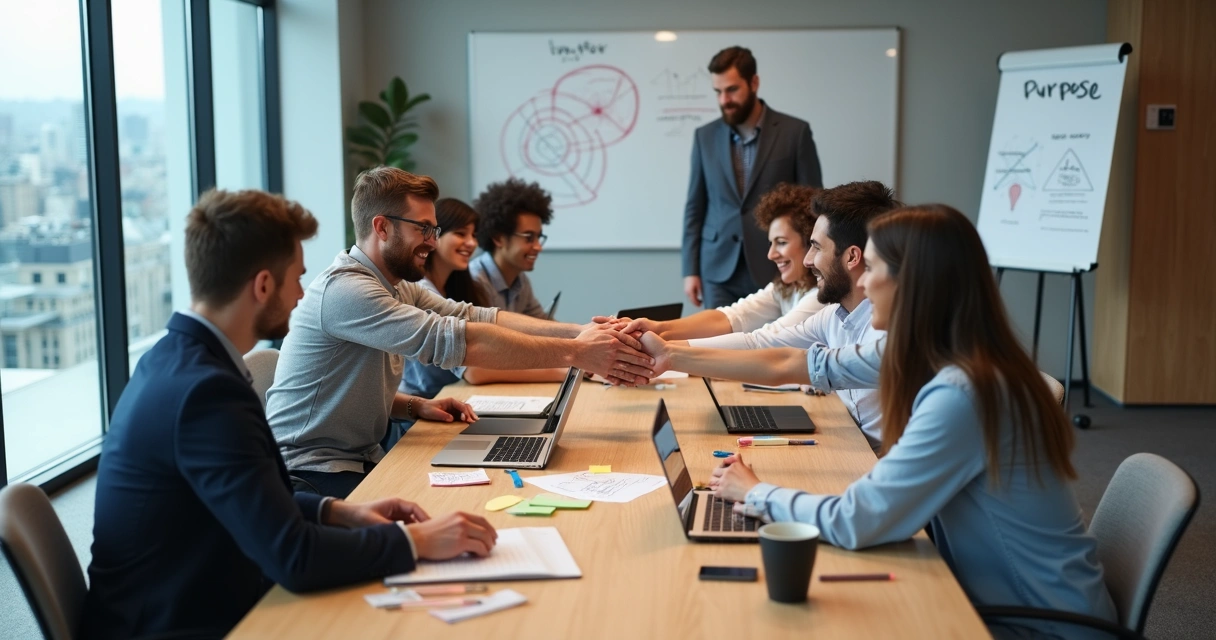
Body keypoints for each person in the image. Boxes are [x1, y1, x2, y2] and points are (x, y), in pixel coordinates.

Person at [648, 205, 1117, 638]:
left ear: (912, 283)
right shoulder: (947, 353)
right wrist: (670, 355)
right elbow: (793, 361)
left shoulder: (964, 393)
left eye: (872, 269)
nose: (865, 285)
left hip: (1036, 626)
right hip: (994, 596)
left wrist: (756, 493)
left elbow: (858, 520)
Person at [82, 189, 497, 640]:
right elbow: (294, 558)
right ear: (263, 285)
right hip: (183, 624)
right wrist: (415, 541)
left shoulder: (179, 359)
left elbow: (251, 500)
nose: (302, 293)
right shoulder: (207, 393)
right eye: (296, 278)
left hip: (191, 596)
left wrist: (338, 512)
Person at [268, 168, 652, 499]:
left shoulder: (397, 286)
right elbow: (459, 340)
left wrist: (579, 331)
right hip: (312, 472)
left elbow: (475, 316)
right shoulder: (348, 291)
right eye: (423, 229)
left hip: (359, 459)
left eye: (434, 229)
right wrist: (576, 353)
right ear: (381, 227)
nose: (433, 241)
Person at [644, 181, 897, 447]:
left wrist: (668, 354)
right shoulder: (833, 315)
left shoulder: (892, 334)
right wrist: (665, 348)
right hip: (854, 447)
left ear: (852, 257)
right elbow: (758, 343)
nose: (808, 260)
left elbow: (784, 363)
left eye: (816, 247)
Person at [682, 45, 823, 311]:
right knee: (716, 334)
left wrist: (815, 260)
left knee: (772, 336)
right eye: (718, 92)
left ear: (754, 83)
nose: (724, 100)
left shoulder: (794, 133)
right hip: (717, 267)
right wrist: (690, 270)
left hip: (775, 263)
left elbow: (813, 205)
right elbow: (695, 206)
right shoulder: (704, 137)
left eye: (732, 89)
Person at [399, 197, 567, 402]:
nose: (472, 243)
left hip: (454, 397)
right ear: (434, 236)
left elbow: (515, 325)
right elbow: (476, 368)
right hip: (422, 404)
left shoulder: (460, 284)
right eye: (461, 234)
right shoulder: (423, 290)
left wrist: (577, 343)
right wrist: (566, 367)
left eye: (474, 235)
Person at [628, 183, 823, 340]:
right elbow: (731, 316)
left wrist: (667, 349)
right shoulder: (787, 287)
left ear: (811, 242)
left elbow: (764, 341)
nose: (771, 255)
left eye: (781, 243)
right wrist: (657, 328)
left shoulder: (820, 297)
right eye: (771, 243)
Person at [469, 177, 553, 318]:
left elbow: (543, 322)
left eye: (538, 237)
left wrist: (585, 328)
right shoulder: (474, 282)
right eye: (529, 237)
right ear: (498, 238)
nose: (538, 247)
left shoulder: (520, 281)